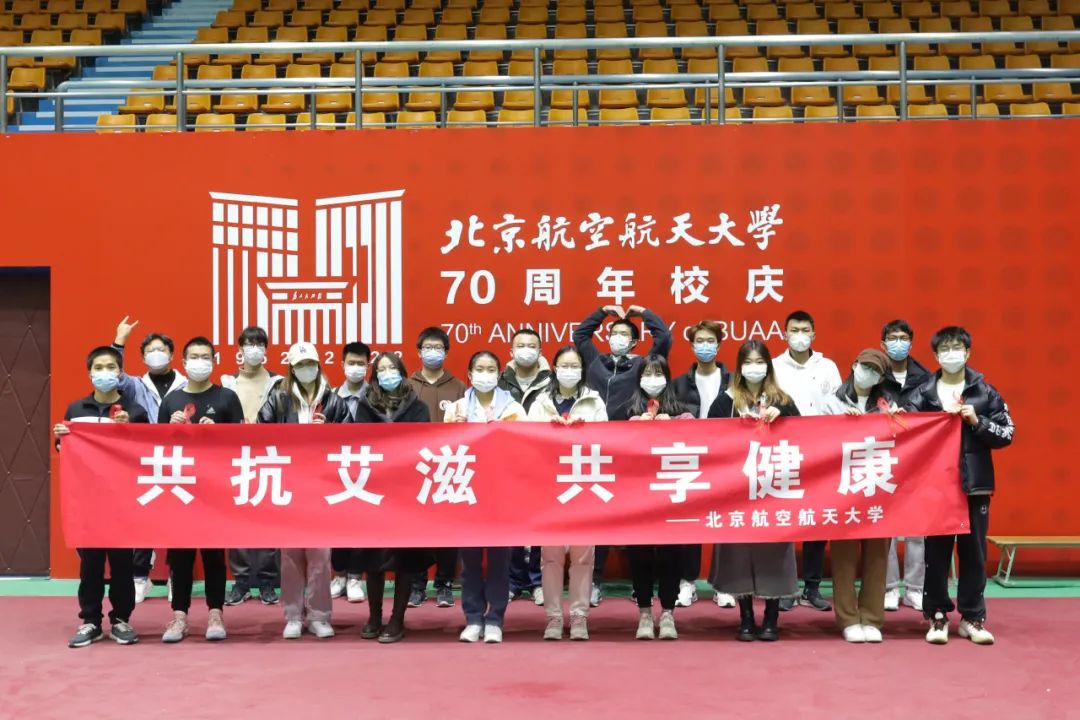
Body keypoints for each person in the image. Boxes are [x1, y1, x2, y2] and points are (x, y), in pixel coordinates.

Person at [903, 327, 1014, 646]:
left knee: (974, 553)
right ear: (936, 355)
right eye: (945, 349)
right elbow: (905, 433)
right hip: (935, 487)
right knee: (935, 554)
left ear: (967, 352)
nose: (951, 354)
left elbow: (1007, 434)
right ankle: (936, 615)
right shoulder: (922, 393)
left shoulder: (985, 393)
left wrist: (978, 421)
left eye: (957, 348)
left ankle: (972, 617)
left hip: (974, 486)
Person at [573, 304, 671, 606]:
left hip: (630, 447)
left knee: (636, 515)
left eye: (624, 334)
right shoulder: (596, 362)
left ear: (634, 342)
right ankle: (595, 580)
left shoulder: (641, 365)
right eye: (614, 333)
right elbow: (580, 335)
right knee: (598, 516)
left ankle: (640, 584)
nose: (617, 338)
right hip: (595, 448)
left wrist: (643, 313)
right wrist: (602, 311)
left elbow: (664, 338)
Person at [55, 345, 149, 648]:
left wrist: (129, 430)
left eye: (111, 367)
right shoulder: (76, 409)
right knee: (90, 564)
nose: (104, 372)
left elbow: (146, 453)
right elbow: (66, 452)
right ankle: (91, 621)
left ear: (120, 373)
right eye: (99, 367)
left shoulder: (135, 411)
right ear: (89, 372)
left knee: (122, 563)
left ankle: (121, 619)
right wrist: (61, 439)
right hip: (88, 502)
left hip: (121, 501)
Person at [707, 340, 800, 641]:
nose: (754, 368)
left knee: (774, 551)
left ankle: (772, 617)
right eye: (748, 362)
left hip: (773, 489)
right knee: (738, 553)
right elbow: (709, 442)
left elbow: (805, 439)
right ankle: (745, 617)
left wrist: (781, 418)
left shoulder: (783, 401)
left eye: (760, 362)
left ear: (768, 366)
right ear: (739, 367)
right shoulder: (725, 402)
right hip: (736, 491)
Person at [157, 337, 245, 643]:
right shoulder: (171, 400)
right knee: (180, 556)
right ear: (183, 362)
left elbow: (242, 445)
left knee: (213, 555)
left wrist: (218, 433)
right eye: (194, 357)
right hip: (180, 488)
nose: (199, 362)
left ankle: (215, 613)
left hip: (214, 490)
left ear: (214, 361)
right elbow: (156, 448)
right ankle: (179, 616)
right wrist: (170, 428)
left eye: (205, 356)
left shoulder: (227, 398)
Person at [527, 345, 608, 641]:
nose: (569, 371)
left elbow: (607, 442)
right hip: (550, 488)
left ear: (582, 370)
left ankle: (578, 616)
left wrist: (583, 431)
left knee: (583, 557)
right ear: (555, 369)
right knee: (550, 558)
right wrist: (550, 431)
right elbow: (527, 442)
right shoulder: (540, 402)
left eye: (575, 366)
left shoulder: (594, 401)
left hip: (584, 485)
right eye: (564, 366)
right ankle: (552, 616)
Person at [610, 355, 694, 640]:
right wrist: (635, 428)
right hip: (638, 498)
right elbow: (612, 448)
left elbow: (698, 443)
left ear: (667, 378)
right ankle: (645, 613)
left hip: (673, 496)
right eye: (648, 374)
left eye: (659, 374)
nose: (653, 379)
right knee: (640, 554)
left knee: (672, 555)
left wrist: (675, 428)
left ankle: (668, 612)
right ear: (638, 379)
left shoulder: (682, 412)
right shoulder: (625, 411)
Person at [257, 341, 337, 640]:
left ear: (318, 366)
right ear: (292, 368)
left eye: (311, 364)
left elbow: (352, 438)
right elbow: (261, 433)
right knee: (290, 553)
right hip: (288, 483)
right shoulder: (278, 398)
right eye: (301, 365)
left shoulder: (332, 399)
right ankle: (292, 615)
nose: (307, 369)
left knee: (320, 553)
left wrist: (329, 431)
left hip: (322, 485)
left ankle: (319, 616)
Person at [446, 351, 527, 643]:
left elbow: (524, 449)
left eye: (490, 369)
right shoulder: (455, 408)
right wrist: (455, 429)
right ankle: (473, 618)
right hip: (466, 493)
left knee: (499, 561)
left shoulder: (513, 409)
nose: (485, 374)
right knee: (469, 562)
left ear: (499, 373)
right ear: (469, 374)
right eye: (479, 369)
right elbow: (444, 450)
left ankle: (495, 619)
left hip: (501, 494)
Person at [352, 351, 433, 642]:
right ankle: (374, 617)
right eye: (382, 369)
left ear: (402, 372)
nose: (388, 374)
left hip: (407, 493)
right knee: (373, 559)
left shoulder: (418, 407)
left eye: (392, 368)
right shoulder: (365, 406)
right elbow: (360, 444)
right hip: (374, 492)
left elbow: (422, 444)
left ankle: (397, 619)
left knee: (405, 559)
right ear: (375, 376)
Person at [112, 317, 188, 605]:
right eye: (150, 351)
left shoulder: (186, 384)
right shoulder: (135, 385)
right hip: (144, 460)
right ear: (143, 357)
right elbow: (115, 375)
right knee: (143, 518)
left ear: (171, 354)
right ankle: (140, 577)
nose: (156, 354)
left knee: (179, 520)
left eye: (161, 350)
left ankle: (175, 577)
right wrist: (119, 341)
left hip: (181, 459)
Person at [823, 349, 896, 644]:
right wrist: (842, 423)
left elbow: (902, 438)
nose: (869, 374)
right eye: (865, 367)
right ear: (854, 366)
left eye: (876, 371)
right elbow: (816, 440)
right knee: (843, 556)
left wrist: (894, 420)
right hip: (842, 487)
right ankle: (848, 618)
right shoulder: (831, 401)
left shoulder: (888, 404)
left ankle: (872, 618)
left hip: (878, 486)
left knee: (878, 554)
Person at [771, 310, 841, 613]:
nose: (800, 335)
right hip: (784, 449)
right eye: (794, 330)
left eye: (805, 330)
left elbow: (838, 404)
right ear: (784, 333)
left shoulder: (827, 367)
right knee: (784, 520)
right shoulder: (774, 366)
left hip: (821, 451)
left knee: (816, 519)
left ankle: (812, 587)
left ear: (814, 334)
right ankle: (785, 587)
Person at [672, 320, 733, 609]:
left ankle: (724, 583)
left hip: (727, 457)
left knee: (725, 520)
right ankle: (687, 582)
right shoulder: (679, 384)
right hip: (691, 457)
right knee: (690, 520)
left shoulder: (734, 381)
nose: (705, 346)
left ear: (719, 345)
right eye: (700, 341)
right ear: (692, 345)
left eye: (710, 341)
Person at [222, 326, 284, 607]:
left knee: (270, 519)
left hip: (270, 455)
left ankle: (269, 581)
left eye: (259, 343)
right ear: (240, 349)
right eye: (249, 343)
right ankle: (242, 581)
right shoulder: (228, 383)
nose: (254, 348)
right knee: (238, 521)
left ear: (266, 349)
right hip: (237, 457)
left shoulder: (278, 382)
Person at [406, 326, 466, 609]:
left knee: (449, 529)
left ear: (446, 352)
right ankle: (417, 585)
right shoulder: (407, 385)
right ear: (419, 352)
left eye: (438, 348)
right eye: (427, 347)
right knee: (416, 529)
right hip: (414, 467)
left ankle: (444, 584)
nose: (433, 352)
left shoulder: (458, 387)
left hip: (448, 465)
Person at [879, 319, 930, 612]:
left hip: (916, 459)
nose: (898, 343)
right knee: (886, 527)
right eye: (892, 338)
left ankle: (914, 588)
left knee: (916, 529)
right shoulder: (875, 374)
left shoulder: (925, 377)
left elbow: (932, 413)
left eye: (903, 338)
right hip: (882, 457)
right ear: (883, 343)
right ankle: (888, 588)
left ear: (911, 342)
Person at [498, 328, 551, 604]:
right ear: (511, 351)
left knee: (540, 523)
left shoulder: (552, 382)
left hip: (542, 460)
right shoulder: (499, 382)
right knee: (512, 522)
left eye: (532, 345)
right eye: (521, 345)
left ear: (540, 351)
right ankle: (513, 580)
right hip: (507, 461)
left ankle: (537, 581)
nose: (526, 350)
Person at [326, 341, 372, 604]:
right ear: (342, 364)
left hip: (367, 467)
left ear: (368, 366)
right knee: (337, 523)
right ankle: (339, 575)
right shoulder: (331, 396)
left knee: (362, 524)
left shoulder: (375, 396)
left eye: (360, 364)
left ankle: (356, 577)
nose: (356, 368)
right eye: (351, 363)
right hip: (338, 468)